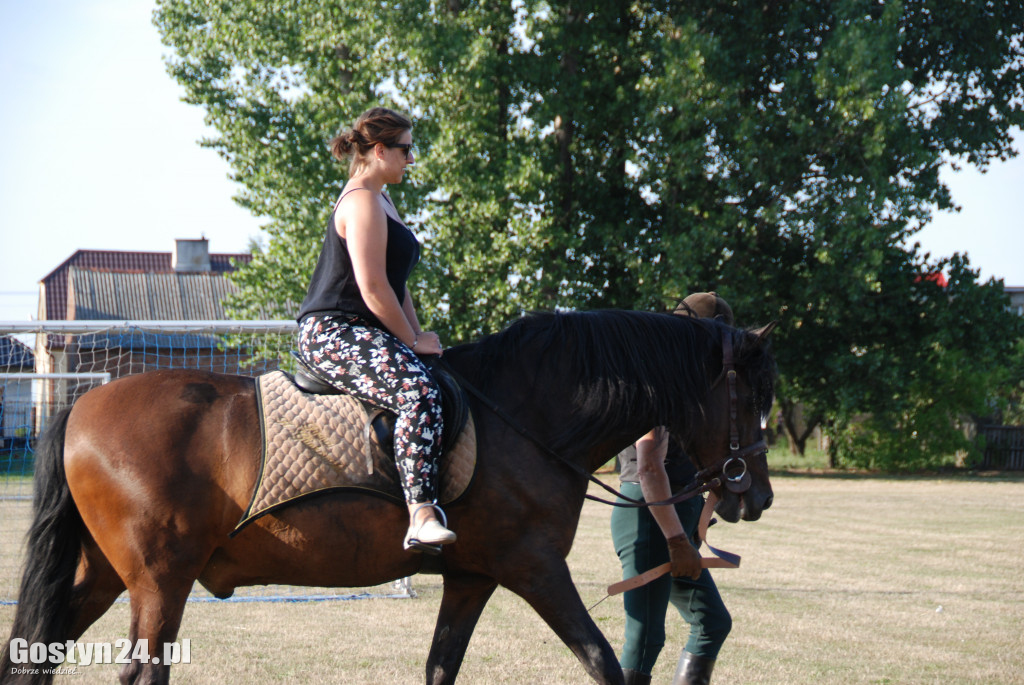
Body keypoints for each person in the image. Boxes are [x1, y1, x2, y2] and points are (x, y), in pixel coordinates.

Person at [296, 106, 456, 552]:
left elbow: (397, 284)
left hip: (364, 330)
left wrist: (421, 342)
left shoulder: (383, 198)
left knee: (436, 376)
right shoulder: (363, 201)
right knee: (417, 394)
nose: (411, 159)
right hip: (334, 331)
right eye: (406, 149)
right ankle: (421, 513)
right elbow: (372, 287)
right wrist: (409, 340)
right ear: (380, 150)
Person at [611, 292, 735, 685]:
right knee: (646, 635)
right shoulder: (661, 381)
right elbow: (649, 466)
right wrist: (677, 540)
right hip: (650, 516)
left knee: (712, 622)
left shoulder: (687, 383)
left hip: (674, 515)